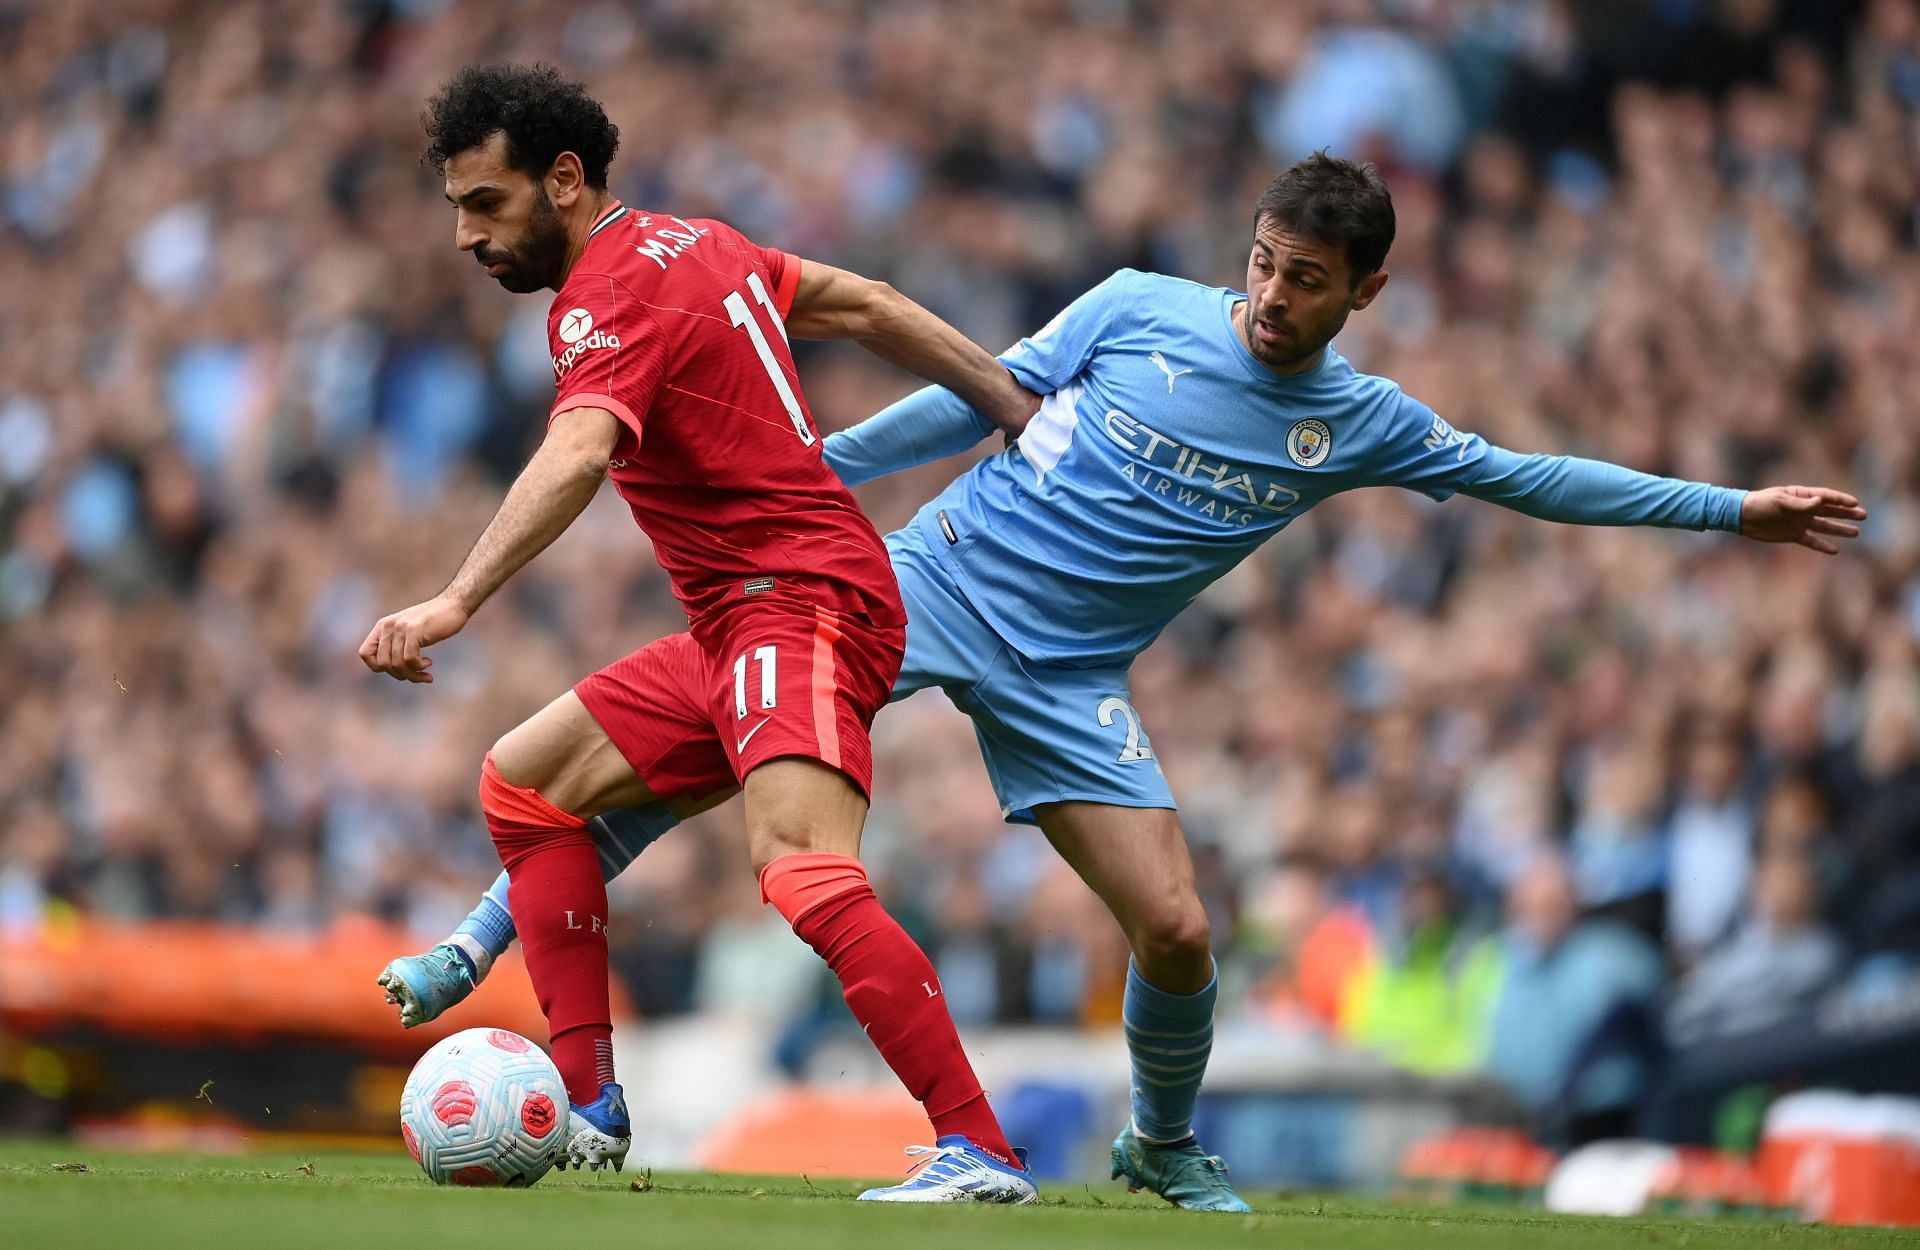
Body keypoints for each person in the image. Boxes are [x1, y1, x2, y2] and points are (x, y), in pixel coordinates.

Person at [385, 150, 1866, 1212]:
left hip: (1076, 670)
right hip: (925, 580)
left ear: (1368, 289)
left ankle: (1159, 1145)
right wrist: (810, 473)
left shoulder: (1362, 420)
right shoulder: (1136, 307)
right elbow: (971, 382)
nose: (1275, 299)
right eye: (1267, 265)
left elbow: (1531, 477)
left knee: (1174, 928)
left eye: (1310, 282)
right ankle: (478, 938)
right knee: (717, 774)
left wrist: (1731, 509)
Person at [361, 62, 1044, 1203]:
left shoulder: (600, 299)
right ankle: (589, 1104)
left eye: (486, 203)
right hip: (743, 616)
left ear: (565, 180)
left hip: (798, 599)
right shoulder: (700, 243)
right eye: (456, 209)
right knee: (525, 785)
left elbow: (580, 450)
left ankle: (980, 1147)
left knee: (801, 870)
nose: (468, 234)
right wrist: (1004, 400)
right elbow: (866, 304)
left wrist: (452, 600)